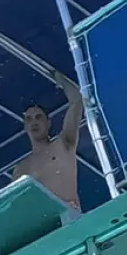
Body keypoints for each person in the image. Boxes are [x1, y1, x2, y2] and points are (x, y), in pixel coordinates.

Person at [13, 70, 84, 220]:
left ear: (48, 123)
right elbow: (17, 206)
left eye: (38, 117)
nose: (34, 122)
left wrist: (59, 76)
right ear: (25, 126)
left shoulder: (63, 143)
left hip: (70, 217)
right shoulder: (21, 169)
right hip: (42, 226)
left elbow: (77, 100)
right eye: (29, 119)